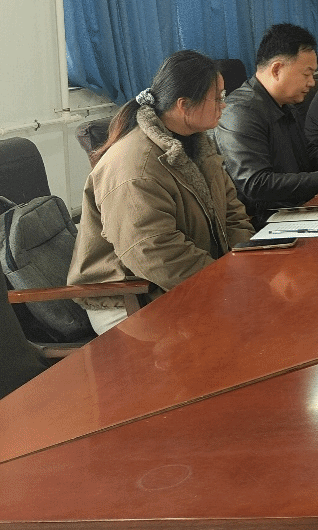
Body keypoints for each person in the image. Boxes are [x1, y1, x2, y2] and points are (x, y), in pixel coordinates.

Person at [68, 51, 255, 334]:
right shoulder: (136, 167)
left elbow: (232, 211)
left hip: (185, 279)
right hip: (130, 297)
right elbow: (154, 253)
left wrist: (243, 264)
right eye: (217, 98)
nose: (223, 104)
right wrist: (227, 282)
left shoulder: (197, 144)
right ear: (184, 105)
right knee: (237, 334)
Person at [216, 23, 318, 227]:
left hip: (298, 207)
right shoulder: (241, 111)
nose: (312, 82)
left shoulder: (285, 104)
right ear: (277, 69)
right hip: (268, 222)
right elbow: (256, 184)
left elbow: (308, 155)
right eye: (306, 74)